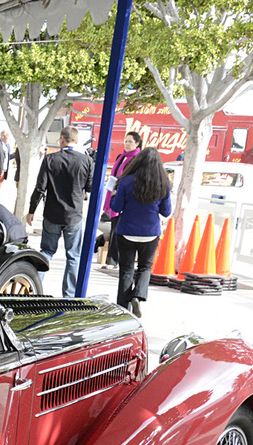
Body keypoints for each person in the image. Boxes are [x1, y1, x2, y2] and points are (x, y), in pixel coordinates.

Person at [27, 128, 94, 297]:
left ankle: (33, 287)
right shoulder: (85, 161)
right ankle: (69, 295)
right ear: (76, 141)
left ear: (62, 139)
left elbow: (40, 188)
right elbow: (90, 187)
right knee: (73, 256)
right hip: (74, 216)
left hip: (52, 214)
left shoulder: (50, 159)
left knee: (46, 251)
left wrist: (31, 210)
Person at [108, 147, 172, 316]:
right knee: (145, 267)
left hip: (126, 230)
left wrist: (114, 195)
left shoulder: (126, 181)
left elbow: (116, 207)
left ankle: (123, 310)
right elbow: (166, 212)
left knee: (126, 270)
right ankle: (139, 295)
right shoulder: (163, 183)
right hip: (150, 233)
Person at [100, 130, 144, 268]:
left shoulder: (138, 159)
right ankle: (111, 261)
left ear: (137, 143)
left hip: (126, 199)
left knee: (119, 231)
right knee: (114, 228)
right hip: (115, 195)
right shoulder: (121, 157)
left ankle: (115, 260)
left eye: (130, 141)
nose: (127, 144)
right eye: (126, 141)